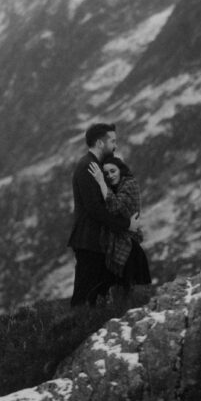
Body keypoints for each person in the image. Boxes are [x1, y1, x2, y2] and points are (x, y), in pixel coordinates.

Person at [67, 123, 137, 306]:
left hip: (97, 241)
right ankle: (78, 330)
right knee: (84, 295)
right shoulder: (88, 167)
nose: (115, 145)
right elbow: (95, 208)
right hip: (89, 241)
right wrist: (125, 225)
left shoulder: (97, 165)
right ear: (100, 143)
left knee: (98, 295)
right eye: (112, 141)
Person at [89, 155, 151, 293]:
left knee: (133, 290)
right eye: (106, 174)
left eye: (113, 171)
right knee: (120, 292)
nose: (110, 175)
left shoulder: (129, 184)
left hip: (129, 246)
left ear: (120, 170)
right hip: (119, 243)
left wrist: (101, 181)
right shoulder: (114, 189)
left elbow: (115, 206)